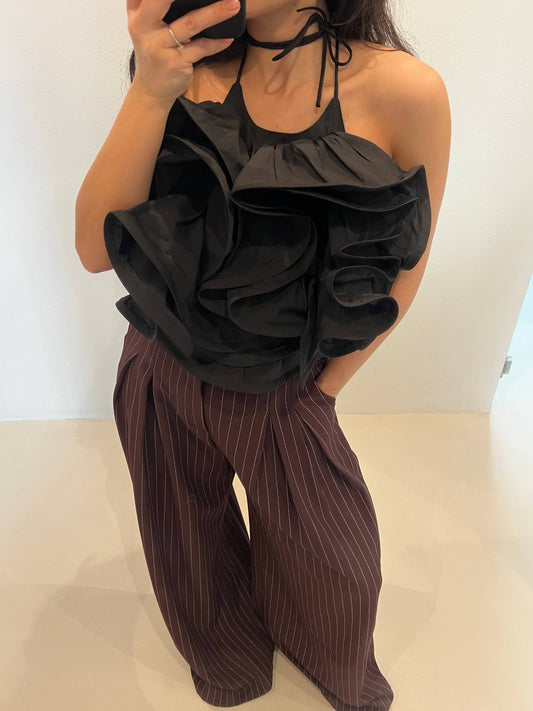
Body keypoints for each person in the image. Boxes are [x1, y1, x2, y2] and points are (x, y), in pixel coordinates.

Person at [75, 1, 451, 708]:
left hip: (286, 390)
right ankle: (230, 665)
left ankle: (336, 670)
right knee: (187, 548)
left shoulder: (405, 91)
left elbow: (407, 262)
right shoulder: (184, 67)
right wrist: (149, 88)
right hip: (161, 365)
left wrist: (323, 390)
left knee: (332, 564)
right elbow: (97, 248)